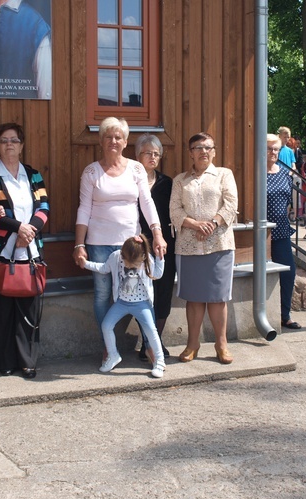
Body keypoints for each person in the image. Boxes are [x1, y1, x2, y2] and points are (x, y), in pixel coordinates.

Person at [73, 117, 167, 341]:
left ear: (125, 142)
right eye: (108, 136)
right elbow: (84, 209)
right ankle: (109, 346)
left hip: (132, 244)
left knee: (141, 293)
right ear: (101, 141)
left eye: (118, 137)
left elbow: (147, 202)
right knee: (103, 295)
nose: (113, 141)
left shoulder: (136, 169)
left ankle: (150, 346)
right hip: (98, 244)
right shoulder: (91, 172)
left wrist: (157, 234)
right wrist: (79, 244)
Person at [0, 122, 50, 379]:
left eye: (14, 140)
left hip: (29, 252)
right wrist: (18, 228)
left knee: (28, 309)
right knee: (1, 310)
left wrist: (28, 232)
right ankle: (4, 362)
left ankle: (28, 361)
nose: (10, 144)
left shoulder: (33, 175)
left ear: (22, 146)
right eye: (4, 140)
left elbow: (44, 208)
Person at [169, 132, 238, 364]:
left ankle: (221, 344)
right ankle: (193, 344)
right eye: (198, 148)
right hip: (188, 246)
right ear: (190, 153)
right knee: (194, 298)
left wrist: (213, 223)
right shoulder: (180, 180)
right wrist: (196, 224)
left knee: (218, 298)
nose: (203, 151)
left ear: (214, 151)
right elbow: (175, 211)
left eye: (208, 147)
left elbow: (231, 204)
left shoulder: (223, 175)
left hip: (219, 244)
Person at [83, 235, 166, 378]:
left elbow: (157, 274)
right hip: (121, 303)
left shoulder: (146, 259)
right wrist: (85, 263)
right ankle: (113, 355)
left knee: (151, 330)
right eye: (127, 263)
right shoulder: (116, 257)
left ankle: (159, 360)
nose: (129, 266)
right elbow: (103, 268)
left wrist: (160, 257)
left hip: (142, 304)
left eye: (134, 265)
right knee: (106, 325)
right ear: (122, 254)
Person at [136, 133, 175, 362]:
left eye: (157, 154)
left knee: (163, 293)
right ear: (137, 154)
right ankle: (149, 342)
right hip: (137, 245)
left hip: (163, 247)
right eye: (148, 153)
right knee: (141, 295)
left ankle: (154, 340)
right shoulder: (130, 181)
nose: (153, 157)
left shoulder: (166, 183)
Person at [266, 135, 300, 330]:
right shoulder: (256, 173)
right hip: (261, 233)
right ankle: (265, 315)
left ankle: (284, 315)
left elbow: (288, 200)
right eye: (269, 149)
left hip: (281, 230)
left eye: (276, 149)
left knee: (288, 272)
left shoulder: (284, 173)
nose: (273, 152)